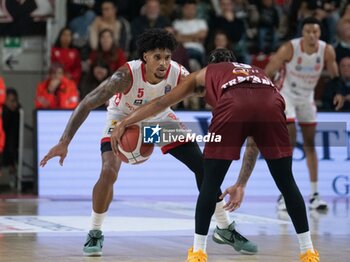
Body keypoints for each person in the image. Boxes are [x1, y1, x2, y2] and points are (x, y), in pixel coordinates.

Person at [39, 29, 257, 257]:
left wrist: (222, 76)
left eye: (167, 57)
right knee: (108, 172)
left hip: (159, 123)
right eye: (157, 57)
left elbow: (206, 90)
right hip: (122, 120)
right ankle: (95, 231)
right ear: (145, 56)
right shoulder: (125, 76)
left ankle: (224, 227)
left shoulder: (179, 74)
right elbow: (87, 102)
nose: (163, 63)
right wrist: (64, 141)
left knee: (203, 166)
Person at [111, 48, 320, 262]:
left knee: (208, 178)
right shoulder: (256, 71)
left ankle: (202, 249)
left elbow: (160, 104)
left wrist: (125, 123)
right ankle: (308, 251)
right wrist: (241, 183)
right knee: (286, 182)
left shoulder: (197, 73)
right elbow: (254, 138)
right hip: (271, 103)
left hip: (204, 112)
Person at [264, 17, 345, 211]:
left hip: (307, 98)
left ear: (320, 33)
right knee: (289, 142)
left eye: (315, 32)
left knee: (310, 144)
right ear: (302, 33)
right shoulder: (289, 48)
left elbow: (334, 76)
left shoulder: (327, 50)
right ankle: (284, 194)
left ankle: (315, 194)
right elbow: (267, 71)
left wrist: (340, 92)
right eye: (308, 31)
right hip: (286, 96)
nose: (312, 35)